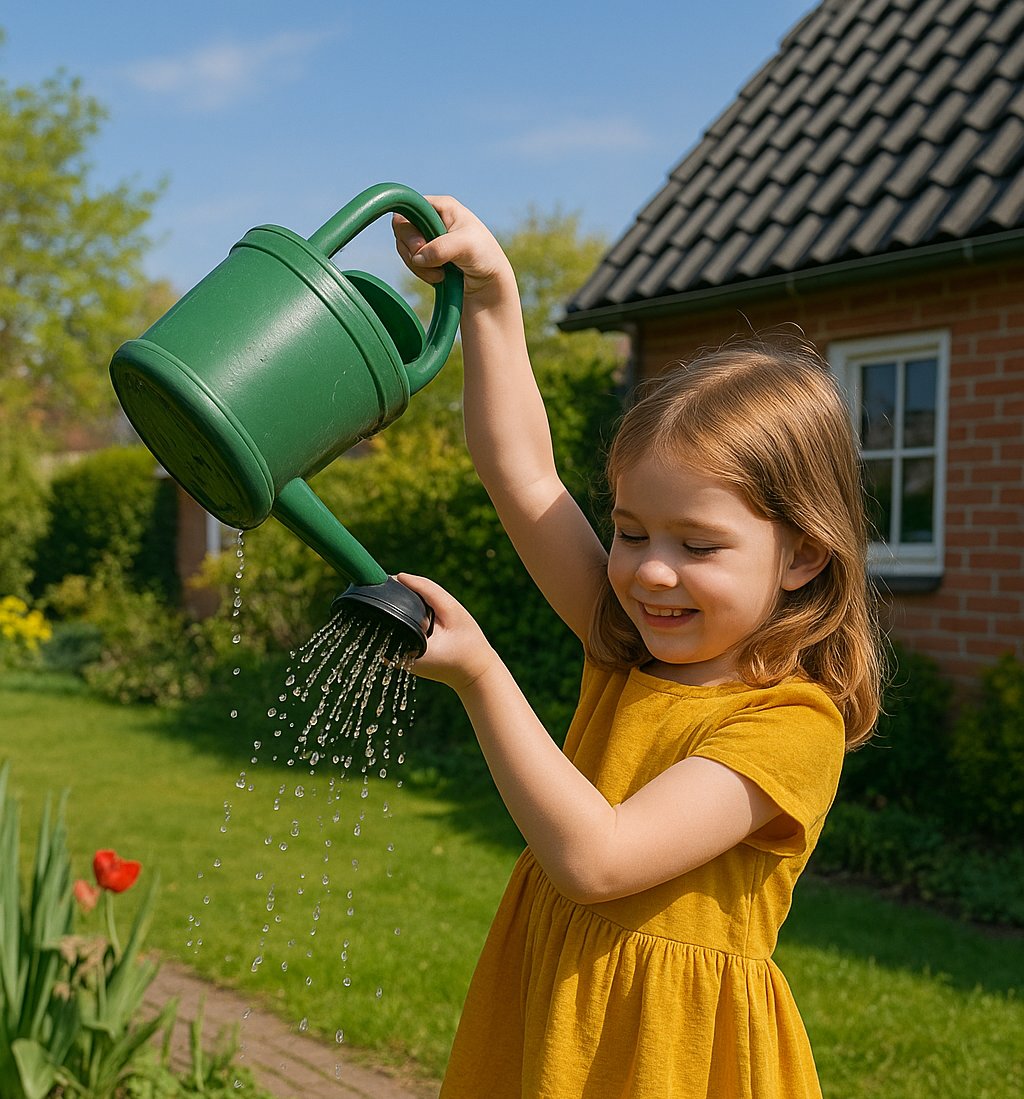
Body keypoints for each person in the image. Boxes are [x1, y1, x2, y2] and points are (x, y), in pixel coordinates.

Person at [391, 197, 881, 1099]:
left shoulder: (791, 724)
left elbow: (598, 861)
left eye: (698, 545)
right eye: (629, 531)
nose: (652, 571)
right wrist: (492, 295)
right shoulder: (627, 645)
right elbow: (519, 470)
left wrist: (481, 675)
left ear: (804, 554)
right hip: (558, 1023)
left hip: (672, 1062)